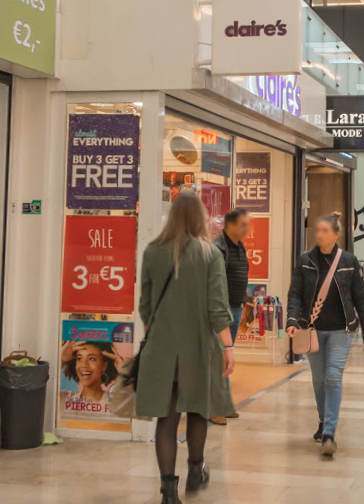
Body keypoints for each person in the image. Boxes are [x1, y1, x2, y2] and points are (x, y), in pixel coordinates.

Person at [135, 192, 236, 503]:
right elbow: (217, 307)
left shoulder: (152, 252)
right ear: (199, 218)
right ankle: (195, 468)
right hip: (199, 347)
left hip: (161, 349)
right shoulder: (210, 254)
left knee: (166, 419)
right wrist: (228, 347)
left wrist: (161, 329)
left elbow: (145, 306)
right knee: (197, 410)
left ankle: (168, 490)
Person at [286, 214, 364, 458]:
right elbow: (295, 294)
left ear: (337, 234)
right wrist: (292, 320)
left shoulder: (349, 260)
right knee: (319, 379)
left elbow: (360, 298)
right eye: (318, 230)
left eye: (325, 230)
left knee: (333, 377)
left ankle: (329, 433)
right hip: (312, 330)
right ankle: (324, 420)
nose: (320, 234)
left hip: (341, 330)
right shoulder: (305, 261)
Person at [211, 207, 250, 425]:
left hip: (235, 307)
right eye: (243, 224)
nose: (247, 228)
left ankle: (224, 404)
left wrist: (243, 301)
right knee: (218, 359)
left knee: (227, 359)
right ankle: (213, 406)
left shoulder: (239, 246)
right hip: (221, 310)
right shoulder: (217, 246)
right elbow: (215, 281)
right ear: (231, 225)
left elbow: (242, 273)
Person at [60, 340, 123, 405]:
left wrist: (125, 373)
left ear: (104, 365)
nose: (84, 365)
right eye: (79, 358)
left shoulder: (116, 403)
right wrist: (61, 358)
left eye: (92, 359)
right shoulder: (65, 399)